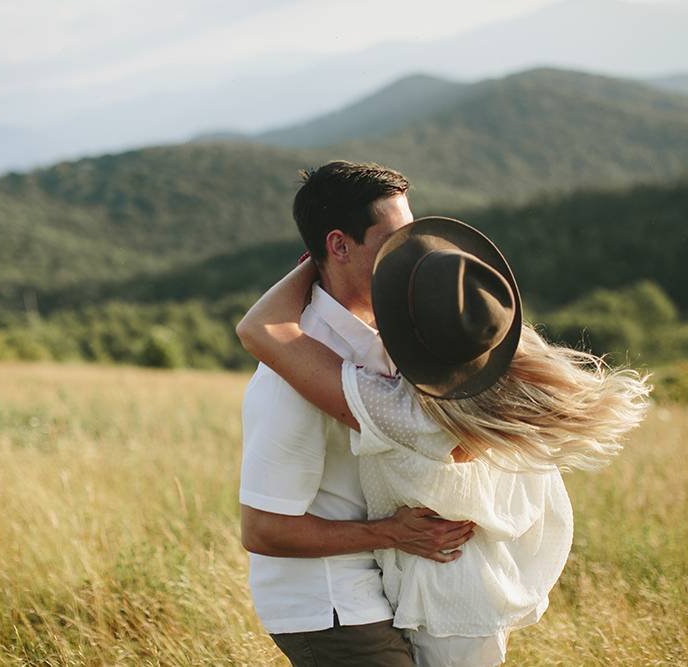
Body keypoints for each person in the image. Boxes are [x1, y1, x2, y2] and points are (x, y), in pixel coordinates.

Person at [237, 216, 651, 667]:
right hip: (477, 590)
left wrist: (318, 261)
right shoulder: (495, 387)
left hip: (443, 601)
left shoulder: (409, 412)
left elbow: (260, 330)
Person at [239, 162, 475, 667]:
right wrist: (391, 532)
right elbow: (261, 529)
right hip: (328, 603)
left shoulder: (385, 338)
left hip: (385, 581)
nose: (411, 252)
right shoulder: (294, 372)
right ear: (340, 246)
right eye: (394, 239)